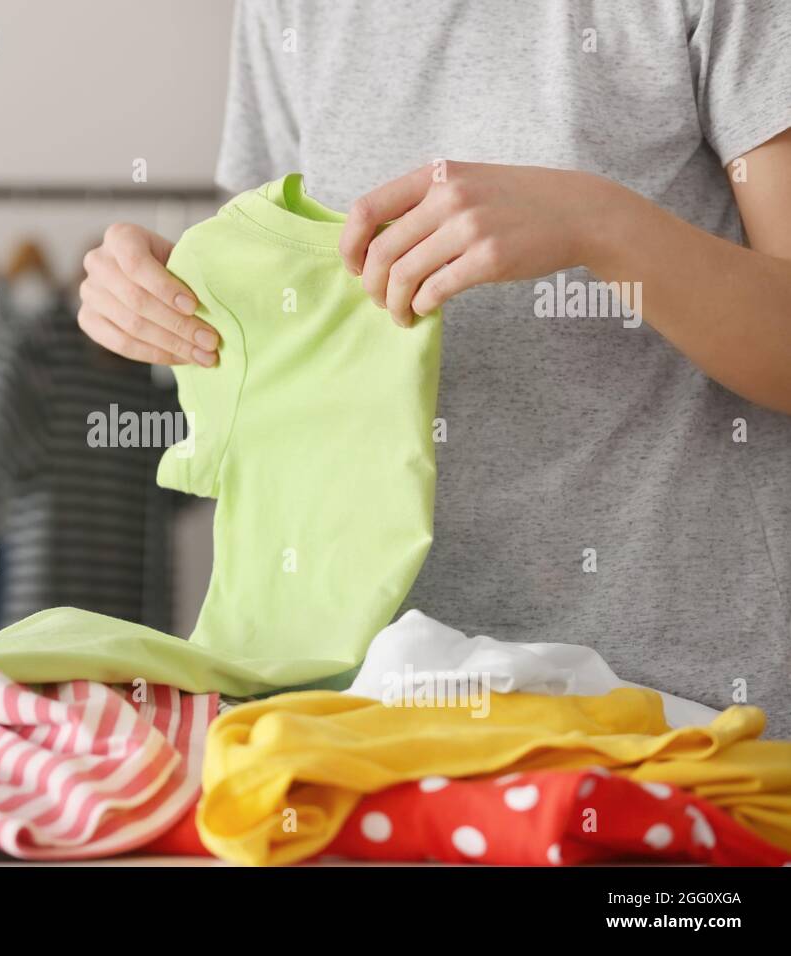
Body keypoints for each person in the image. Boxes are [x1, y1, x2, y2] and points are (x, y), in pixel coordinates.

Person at [77, 0, 791, 736]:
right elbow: (281, 294)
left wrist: (599, 223)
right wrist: (173, 293)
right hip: (356, 707)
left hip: (682, 707)